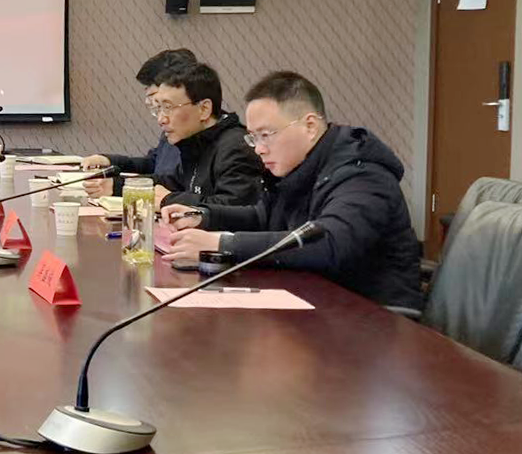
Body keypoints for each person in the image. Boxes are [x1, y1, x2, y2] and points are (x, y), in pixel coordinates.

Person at [163, 71, 424, 312]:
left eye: (266, 135)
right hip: (319, 304)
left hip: (376, 318)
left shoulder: (362, 174)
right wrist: (204, 216)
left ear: (310, 126)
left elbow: (331, 244)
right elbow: (263, 217)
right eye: (253, 137)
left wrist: (223, 245)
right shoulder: (299, 168)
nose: (259, 148)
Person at [123, 60, 263, 209]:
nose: (161, 119)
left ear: (204, 109)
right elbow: (169, 182)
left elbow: (234, 208)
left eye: (168, 107)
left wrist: (169, 200)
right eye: (158, 108)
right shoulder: (196, 142)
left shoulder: (236, 147)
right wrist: (115, 185)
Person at [80, 48, 197, 179]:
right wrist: (109, 161)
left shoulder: (201, 138)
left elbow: (174, 182)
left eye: (152, 94)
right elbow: (154, 164)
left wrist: (118, 185)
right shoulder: (171, 124)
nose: (148, 101)